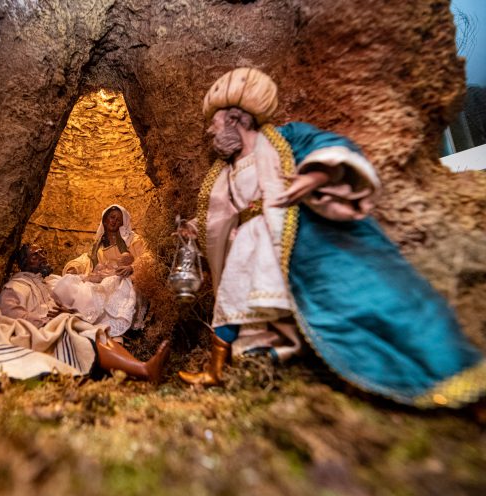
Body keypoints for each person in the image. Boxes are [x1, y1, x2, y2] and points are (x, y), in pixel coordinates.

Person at [177, 67, 486, 409]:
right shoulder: (224, 173)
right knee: (232, 306)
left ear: (238, 119)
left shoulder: (286, 139)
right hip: (252, 252)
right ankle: (218, 370)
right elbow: (222, 213)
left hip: (308, 243)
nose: (210, 131)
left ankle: (462, 379)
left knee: (383, 303)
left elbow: (332, 147)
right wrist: (193, 227)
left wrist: (314, 175)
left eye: (215, 123)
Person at [0, 243, 170, 389]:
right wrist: (47, 320)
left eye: (43, 254)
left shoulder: (48, 284)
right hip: (39, 331)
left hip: (58, 323)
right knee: (81, 333)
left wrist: (65, 312)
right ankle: (142, 371)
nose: (43, 258)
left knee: (92, 328)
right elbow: (11, 314)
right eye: (35, 256)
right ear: (23, 263)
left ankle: (140, 367)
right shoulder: (15, 286)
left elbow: (63, 302)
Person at [54, 205, 151, 337]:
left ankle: (108, 327)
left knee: (111, 283)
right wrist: (75, 267)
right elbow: (87, 260)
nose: (114, 221)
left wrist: (131, 267)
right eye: (112, 217)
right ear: (105, 220)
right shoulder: (98, 246)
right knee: (81, 285)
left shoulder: (133, 240)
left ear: (123, 223)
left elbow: (148, 256)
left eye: (118, 219)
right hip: (104, 279)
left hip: (126, 280)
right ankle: (78, 318)